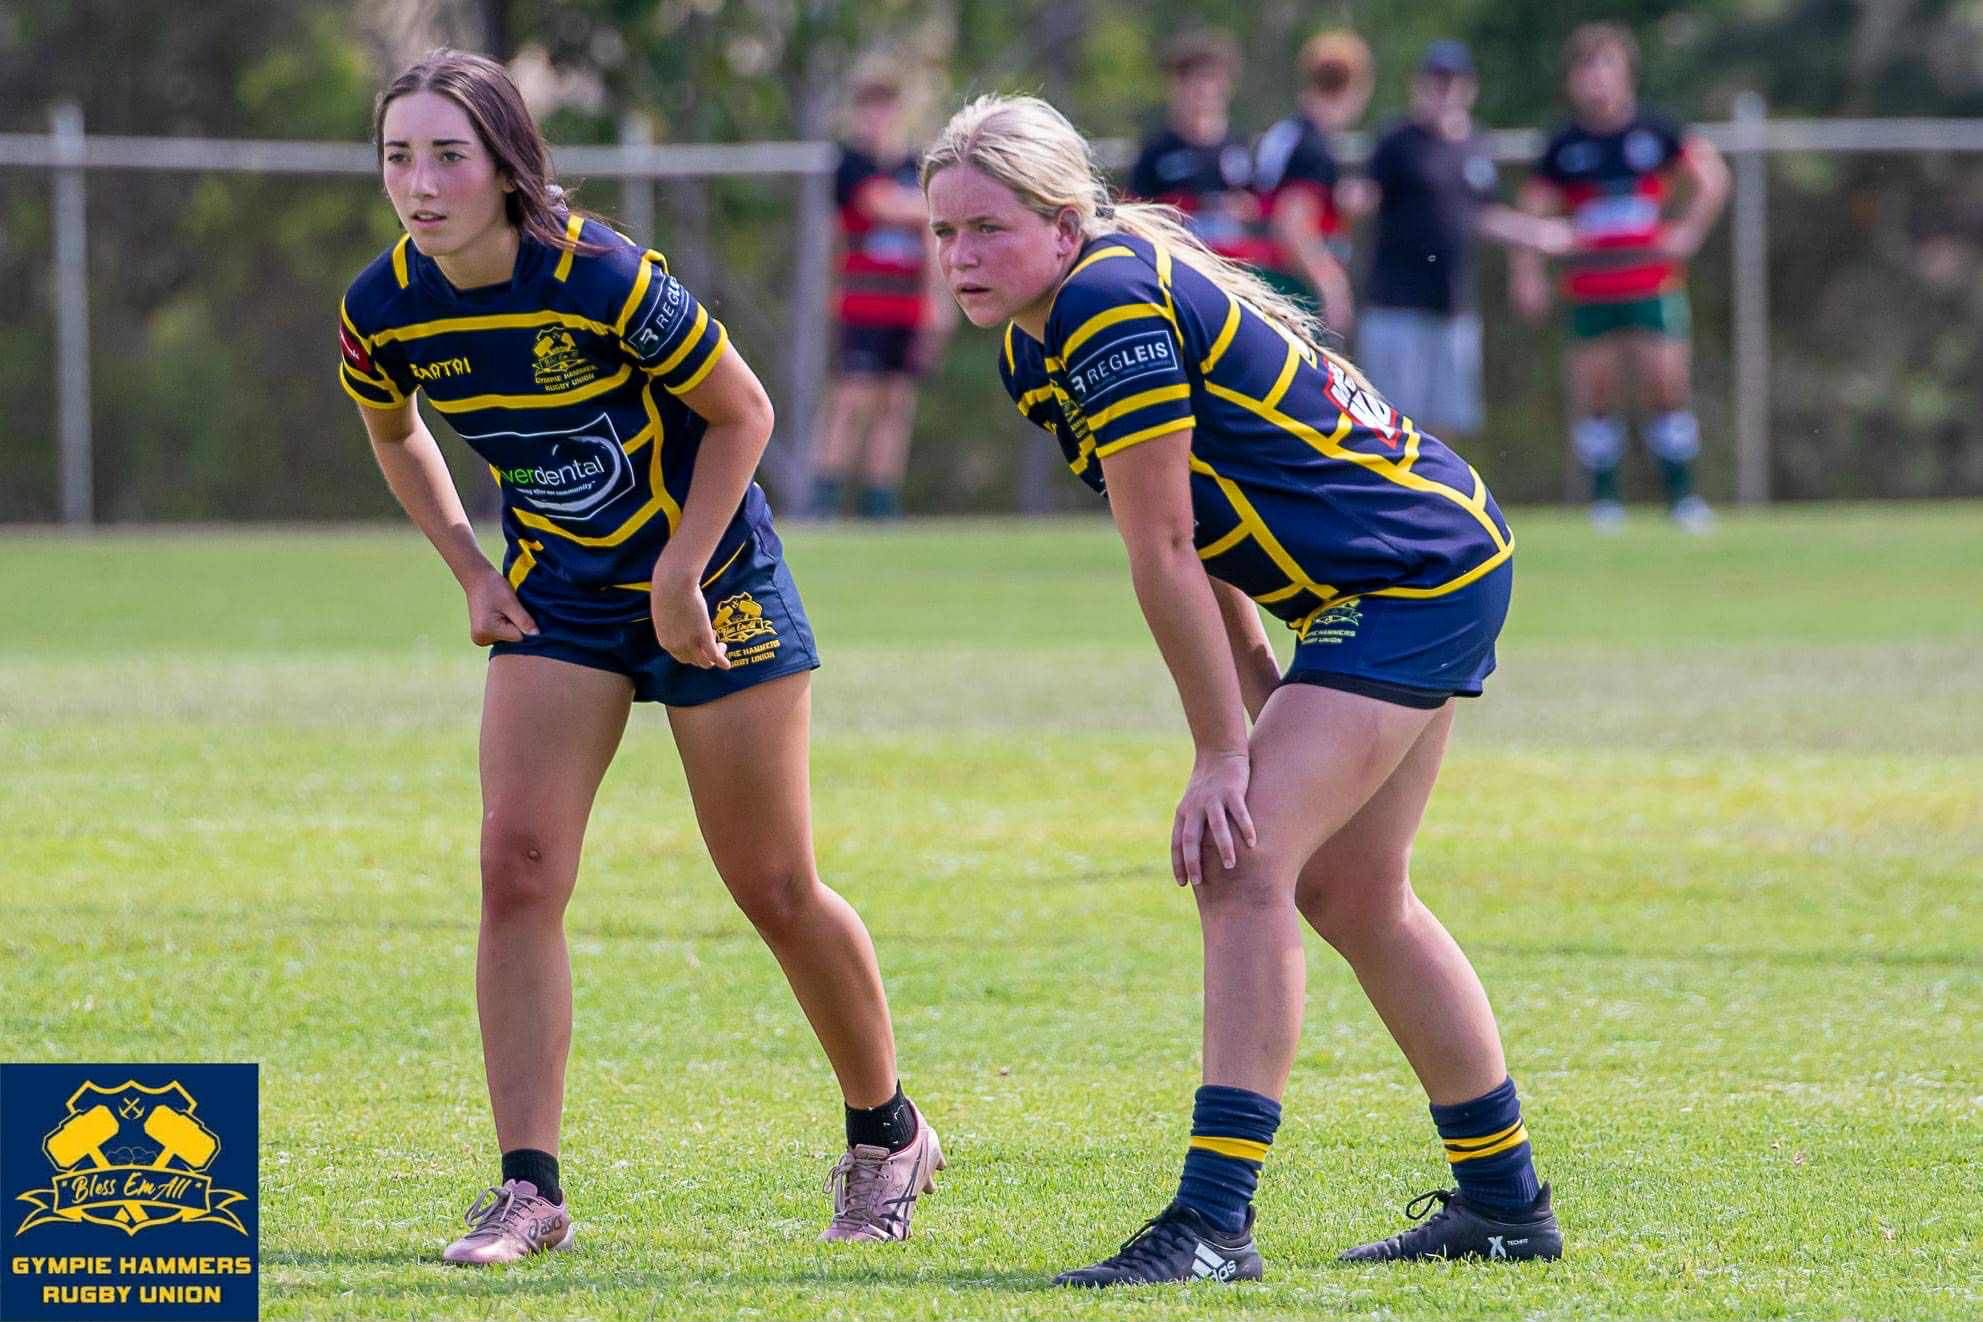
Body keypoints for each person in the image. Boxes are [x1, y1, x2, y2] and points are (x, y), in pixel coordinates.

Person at [923, 93, 1563, 1287]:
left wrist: (1227, 749)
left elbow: (1162, 549)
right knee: (1354, 891)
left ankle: (1215, 1220)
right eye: (943, 231)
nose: (959, 257)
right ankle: (1504, 1200)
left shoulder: (1105, 305)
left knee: (1243, 858)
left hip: (1415, 571)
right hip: (1396, 572)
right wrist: (1262, 686)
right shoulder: (1037, 333)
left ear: (1065, 222)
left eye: (988, 228)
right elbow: (1193, 531)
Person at [337, 49, 940, 1263]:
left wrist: (679, 574)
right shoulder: (383, 304)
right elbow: (392, 428)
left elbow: (747, 411)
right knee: (517, 869)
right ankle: (529, 1187)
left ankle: (890, 1133)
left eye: (449, 153)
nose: (421, 181)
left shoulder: (597, 272)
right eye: (399, 155)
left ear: (508, 164)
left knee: (772, 883)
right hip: (559, 593)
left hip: (715, 581)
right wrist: (468, 565)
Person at [1510, 22, 1730, 531]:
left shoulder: (1655, 131)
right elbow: (1533, 212)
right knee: (1596, 395)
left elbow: (1713, 177)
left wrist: (1688, 231)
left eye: (1607, 67)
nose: (1597, 81)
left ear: (1627, 74)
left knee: (1666, 387)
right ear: (1573, 82)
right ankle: (1605, 503)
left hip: (1651, 281)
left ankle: (1683, 499)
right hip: (1590, 289)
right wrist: (1528, 271)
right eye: (1586, 71)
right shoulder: (1564, 145)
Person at [1340, 40, 1571, 441]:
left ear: (1469, 88)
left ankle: (1434, 504)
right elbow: (1364, 197)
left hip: (1451, 305)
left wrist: (1535, 234)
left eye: (1453, 81)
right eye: (1436, 81)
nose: (1444, 90)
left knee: (1444, 429)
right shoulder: (1397, 141)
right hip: (1397, 305)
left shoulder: (1474, 144)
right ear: (1419, 85)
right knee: (1392, 424)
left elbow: (1482, 214)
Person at [811, 62, 951, 519]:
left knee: (896, 404)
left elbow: (934, 232)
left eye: (885, 106)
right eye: (869, 106)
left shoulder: (915, 165)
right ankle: (825, 500)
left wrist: (937, 302)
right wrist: (923, 209)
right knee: (851, 400)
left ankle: (881, 502)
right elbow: (880, 206)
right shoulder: (850, 164)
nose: (877, 116)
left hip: (907, 306)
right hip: (862, 302)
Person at [1252, 29, 1373, 337]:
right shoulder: (1313, 146)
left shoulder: (1286, 132)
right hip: (1293, 288)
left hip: (1266, 279)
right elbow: (1292, 222)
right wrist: (1329, 283)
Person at [1128, 30, 1268, 270]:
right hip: (1180, 267)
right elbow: (1134, 213)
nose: (1202, 89)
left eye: (1210, 79)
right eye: (1192, 80)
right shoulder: (1158, 152)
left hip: (1238, 269)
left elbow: (1263, 208)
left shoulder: (1241, 147)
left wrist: (1238, 209)